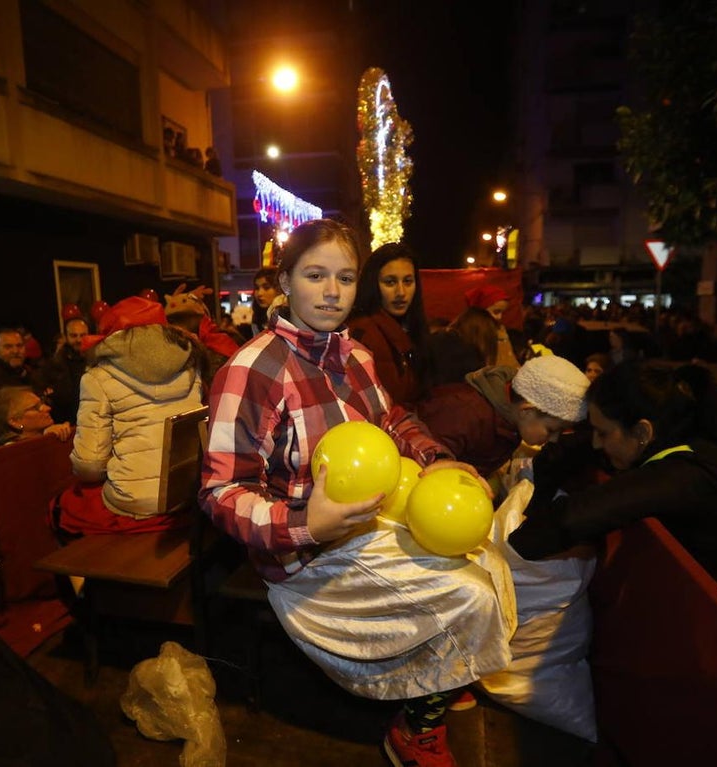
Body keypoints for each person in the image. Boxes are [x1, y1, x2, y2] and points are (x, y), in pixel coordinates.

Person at [199, 218, 514, 766]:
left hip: (370, 524)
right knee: (472, 594)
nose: (331, 292)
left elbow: (391, 421)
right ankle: (414, 729)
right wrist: (306, 525)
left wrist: (436, 458)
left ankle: (443, 668)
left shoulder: (355, 356)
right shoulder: (250, 371)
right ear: (284, 280)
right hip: (305, 555)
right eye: (315, 275)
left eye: (344, 278)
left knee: (487, 554)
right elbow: (222, 490)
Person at [509, 360, 717, 620]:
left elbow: (573, 518)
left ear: (642, 431)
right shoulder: (675, 445)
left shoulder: (688, 476)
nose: (596, 443)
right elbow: (571, 450)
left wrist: (506, 555)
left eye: (603, 433)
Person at [55, 297, 205, 536]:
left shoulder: (97, 378)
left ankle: (89, 572)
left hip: (135, 502)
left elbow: (90, 465)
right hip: (187, 492)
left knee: (63, 506)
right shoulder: (189, 365)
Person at [416, 354, 591, 480]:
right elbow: (423, 464)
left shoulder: (510, 421)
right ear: (527, 411)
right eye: (552, 430)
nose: (553, 439)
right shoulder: (465, 413)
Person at [347, 242, 430, 408]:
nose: (401, 292)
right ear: (373, 284)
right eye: (390, 282)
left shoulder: (410, 326)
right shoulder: (365, 331)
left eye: (408, 281)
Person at [32, 317, 89, 426]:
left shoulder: (95, 359)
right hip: (66, 425)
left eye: (83, 335)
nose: (79, 339)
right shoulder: (53, 364)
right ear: (65, 337)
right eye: (74, 335)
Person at [0, 386, 72, 446]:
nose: (47, 408)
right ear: (14, 422)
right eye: (35, 408)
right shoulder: (11, 453)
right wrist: (45, 440)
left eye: (42, 403)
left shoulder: (53, 431)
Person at [464, 284, 520, 369]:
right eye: (496, 312)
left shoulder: (500, 329)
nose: (499, 317)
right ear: (480, 311)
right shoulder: (470, 333)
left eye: (502, 312)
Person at [250, 266, 281, 336]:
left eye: (266, 287)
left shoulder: (291, 316)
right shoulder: (257, 319)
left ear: (279, 289)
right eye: (257, 288)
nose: (259, 293)